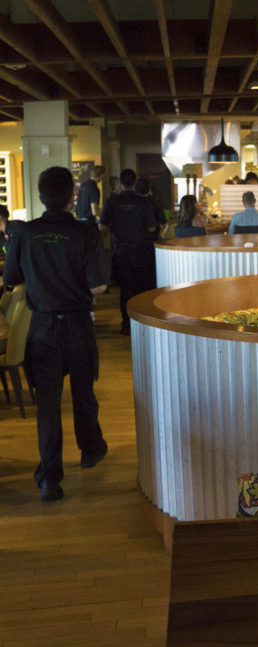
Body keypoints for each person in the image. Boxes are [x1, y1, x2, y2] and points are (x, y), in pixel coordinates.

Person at [4, 166, 109, 501]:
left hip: (43, 328)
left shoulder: (23, 232)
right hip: (77, 324)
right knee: (83, 394)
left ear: (40, 197)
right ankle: (90, 450)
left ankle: (50, 476)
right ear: (72, 197)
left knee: (48, 404)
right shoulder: (86, 233)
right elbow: (101, 286)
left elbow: (10, 279)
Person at [100, 168, 158, 335]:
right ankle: (140, 323)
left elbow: (102, 226)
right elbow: (152, 226)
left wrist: (115, 228)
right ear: (134, 182)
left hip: (121, 251)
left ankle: (126, 324)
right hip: (140, 251)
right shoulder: (143, 202)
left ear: (120, 182)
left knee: (125, 289)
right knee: (140, 288)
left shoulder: (112, 201)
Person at [75, 165, 104, 230]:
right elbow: (95, 211)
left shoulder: (83, 185)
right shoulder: (94, 188)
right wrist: (103, 213)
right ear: (101, 175)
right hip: (89, 224)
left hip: (80, 222)